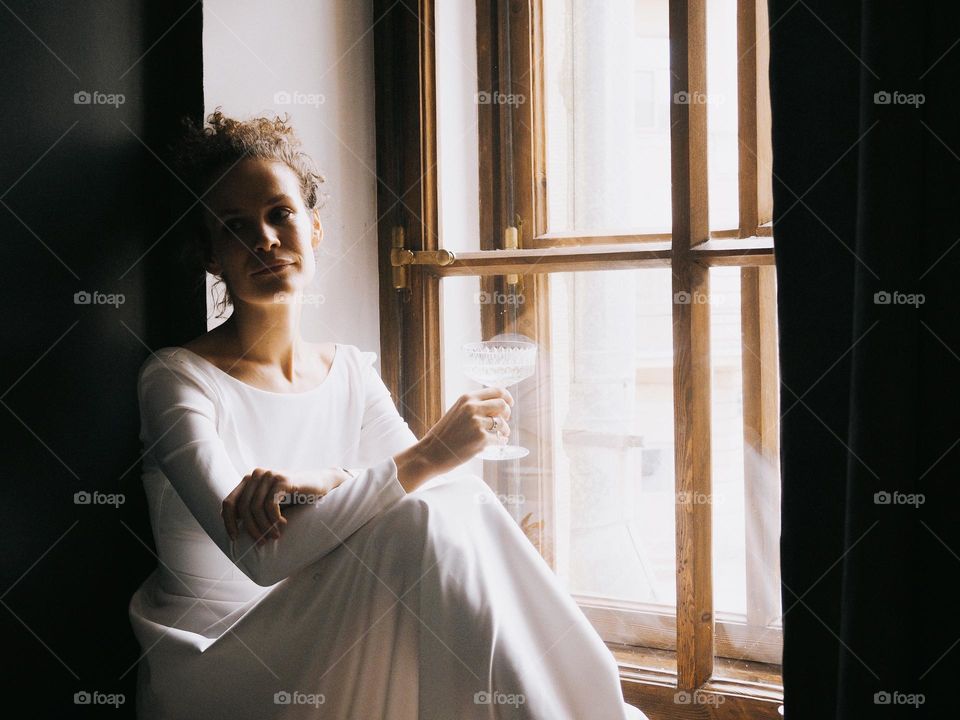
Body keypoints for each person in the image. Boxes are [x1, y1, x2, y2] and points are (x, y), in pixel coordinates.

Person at [127, 110, 648, 719]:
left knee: (452, 504)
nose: (264, 240)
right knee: (416, 518)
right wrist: (428, 453)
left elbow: (441, 501)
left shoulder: (347, 370)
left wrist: (334, 479)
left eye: (279, 214)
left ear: (315, 229)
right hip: (220, 662)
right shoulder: (175, 379)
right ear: (211, 257)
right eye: (234, 227)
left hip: (335, 633)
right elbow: (261, 558)